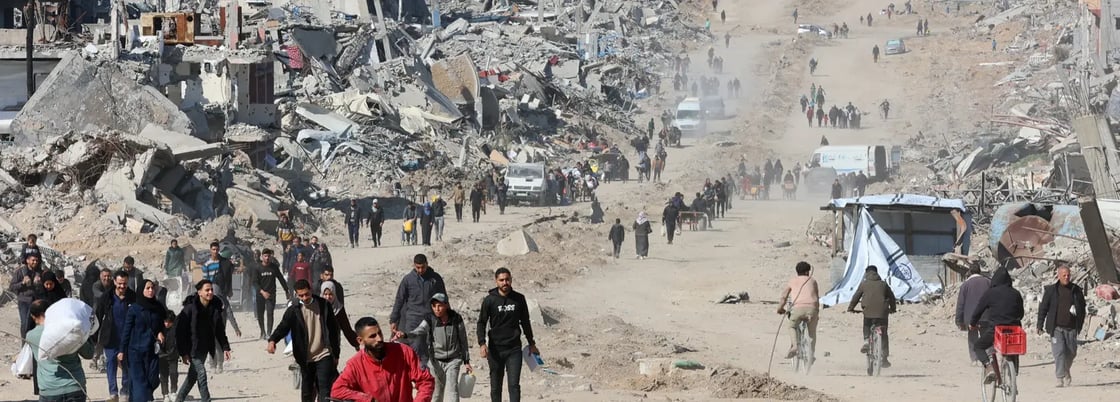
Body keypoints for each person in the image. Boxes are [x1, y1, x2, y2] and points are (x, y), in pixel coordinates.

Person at [267, 280, 340, 402]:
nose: (305, 297)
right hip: (305, 358)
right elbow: (283, 326)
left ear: (310, 290)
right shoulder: (294, 310)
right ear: (296, 294)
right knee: (307, 392)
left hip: (324, 354)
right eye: (301, 295)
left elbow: (333, 330)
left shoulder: (323, 305)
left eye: (307, 294)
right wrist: (273, 340)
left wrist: (336, 353)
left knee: (324, 390)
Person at [331, 317, 435, 402]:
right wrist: (367, 399)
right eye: (373, 336)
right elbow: (337, 390)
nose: (379, 338)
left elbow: (426, 380)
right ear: (360, 340)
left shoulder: (403, 352)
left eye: (379, 333)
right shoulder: (355, 364)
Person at [477, 268, 539, 402]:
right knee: (495, 387)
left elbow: (525, 322)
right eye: (501, 280)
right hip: (495, 349)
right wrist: (482, 343)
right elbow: (481, 322)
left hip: (514, 348)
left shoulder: (519, 299)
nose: (505, 282)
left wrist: (532, 343)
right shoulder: (489, 300)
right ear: (496, 281)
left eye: (507, 279)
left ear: (511, 280)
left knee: (514, 386)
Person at [398, 293, 472, 402]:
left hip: (453, 360)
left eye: (440, 305)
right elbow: (420, 330)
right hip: (435, 362)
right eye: (434, 306)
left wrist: (466, 361)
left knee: (453, 391)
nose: (437, 309)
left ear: (446, 305)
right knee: (436, 394)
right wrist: (406, 335)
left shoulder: (456, 319)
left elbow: (463, 340)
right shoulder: (430, 319)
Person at [175, 279, 233, 402]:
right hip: (191, 348)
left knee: (192, 377)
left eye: (211, 290)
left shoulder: (215, 308)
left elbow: (219, 330)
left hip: (204, 347)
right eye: (207, 290)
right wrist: (183, 352)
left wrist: (225, 347)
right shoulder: (190, 309)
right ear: (199, 292)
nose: (210, 292)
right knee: (201, 373)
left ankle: (179, 399)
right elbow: (180, 332)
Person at [28, 299, 95, 402]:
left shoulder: (31, 336)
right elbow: (89, 354)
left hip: (49, 390)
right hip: (74, 386)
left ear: (32, 316)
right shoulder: (70, 331)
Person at [390, 254, 447, 365]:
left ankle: (424, 375)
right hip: (413, 318)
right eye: (418, 267)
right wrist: (393, 320)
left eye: (423, 267)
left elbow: (444, 298)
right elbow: (399, 300)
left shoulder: (435, 279)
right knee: (416, 346)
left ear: (427, 264)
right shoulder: (408, 280)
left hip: (431, 318)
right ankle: (417, 374)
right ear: (414, 266)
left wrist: (447, 316)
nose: (420, 270)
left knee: (428, 347)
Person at [969, 268, 1024, 383]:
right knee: (1013, 346)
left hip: (996, 329)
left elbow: (978, 310)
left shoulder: (990, 293)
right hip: (1014, 329)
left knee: (978, 346)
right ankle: (1014, 371)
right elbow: (1021, 313)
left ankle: (988, 367)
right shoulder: (1016, 293)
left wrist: (972, 323)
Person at [1036, 264, 1086, 387]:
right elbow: (1043, 308)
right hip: (1056, 327)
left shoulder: (1076, 290)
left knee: (1072, 352)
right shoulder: (1051, 290)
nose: (1066, 277)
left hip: (1072, 328)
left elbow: (1083, 308)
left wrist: (1079, 320)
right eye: (1064, 275)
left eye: (1068, 275)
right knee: (1059, 352)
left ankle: (1066, 370)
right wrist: (1039, 324)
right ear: (1058, 276)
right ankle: (1060, 377)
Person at [121, 280, 165, 402]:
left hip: (152, 351)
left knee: (153, 380)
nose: (151, 290)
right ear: (141, 291)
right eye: (148, 288)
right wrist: (121, 350)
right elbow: (126, 331)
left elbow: (161, 324)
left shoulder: (158, 307)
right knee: (140, 382)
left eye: (152, 288)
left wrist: (160, 332)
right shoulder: (134, 309)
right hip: (135, 352)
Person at [95, 270, 136, 401]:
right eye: (119, 283)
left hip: (128, 338)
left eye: (124, 284)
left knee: (127, 365)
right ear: (114, 282)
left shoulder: (133, 297)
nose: (122, 286)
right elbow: (97, 316)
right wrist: (94, 336)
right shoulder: (107, 297)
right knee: (111, 364)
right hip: (111, 337)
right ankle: (113, 392)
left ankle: (125, 391)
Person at [846, 265, 896, 368]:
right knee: (884, 333)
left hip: (868, 312)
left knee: (867, 324)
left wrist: (850, 308)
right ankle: (885, 358)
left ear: (866, 274)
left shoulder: (864, 284)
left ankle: (866, 341)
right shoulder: (883, 284)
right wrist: (893, 309)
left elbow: (856, 297)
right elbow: (892, 297)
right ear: (877, 273)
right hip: (882, 313)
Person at [776, 262, 819, 360]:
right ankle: (811, 354)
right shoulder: (813, 281)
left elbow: (784, 297)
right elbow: (816, 297)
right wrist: (816, 313)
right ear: (807, 272)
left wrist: (780, 308)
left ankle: (795, 346)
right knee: (812, 333)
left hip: (797, 308)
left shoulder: (792, 281)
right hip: (812, 309)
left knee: (792, 326)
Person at [954, 265, 990, 364]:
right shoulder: (988, 282)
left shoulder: (965, 285)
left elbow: (961, 304)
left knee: (972, 338)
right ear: (980, 271)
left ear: (970, 272)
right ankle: (988, 358)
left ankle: (974, 359)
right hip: (986, 316)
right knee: (986, 337)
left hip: (971, 318)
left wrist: (959, 321)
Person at [252, 248, 290, 340]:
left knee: (270, 313)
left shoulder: (274, 267)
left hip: (271, 294)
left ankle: (269, 332)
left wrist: (286, 290)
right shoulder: (257, 267)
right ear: (262, 257)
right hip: (260, 294)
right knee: (260, 314)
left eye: (268, 256)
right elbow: (254, 282)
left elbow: (281, 278)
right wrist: (262, 292)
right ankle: (262, 332)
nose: (267, 258)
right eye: (265, 256)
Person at [321, 281, 359, 350]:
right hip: (320, 344)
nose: (328, 297)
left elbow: (346, 328)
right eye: (325, 294)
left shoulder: (339, 309)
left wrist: (356, 343)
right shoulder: (317, 308)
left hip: (334, 343)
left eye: (330, 294)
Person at [158, 310, 179, 402]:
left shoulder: (176, 329)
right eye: (165, 321)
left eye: (169, 322)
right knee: (163, 376)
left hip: (173, 356)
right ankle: (165, 394)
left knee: (173, 374)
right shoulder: (159, 330)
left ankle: (173, 392)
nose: (166, 324)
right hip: (162, 356)